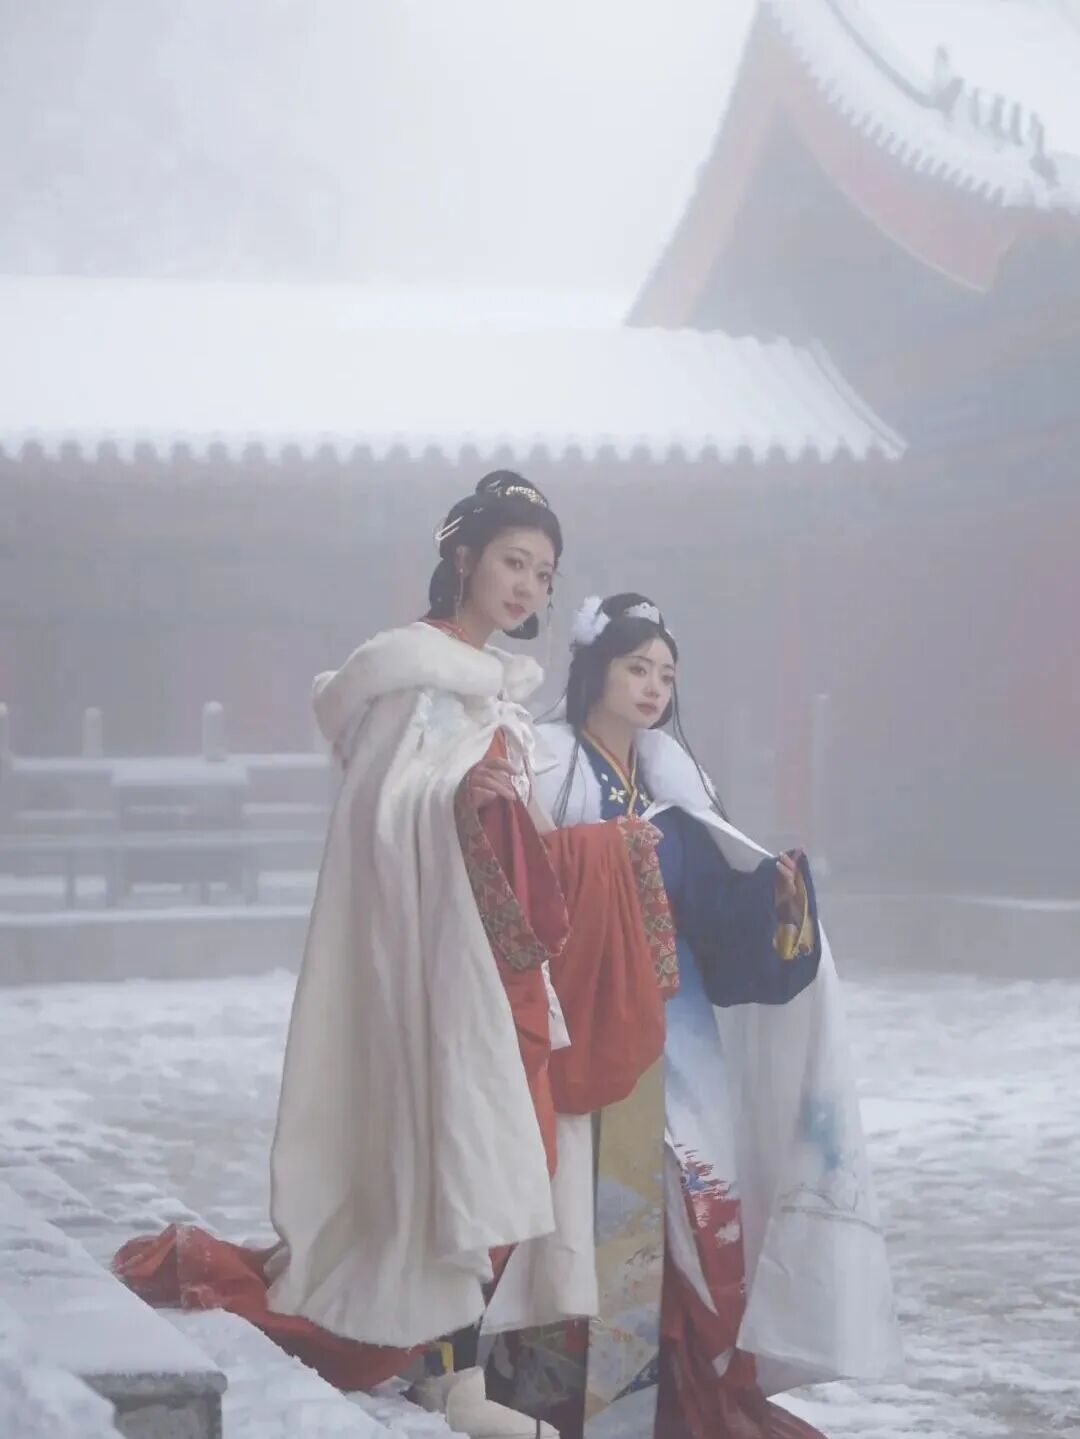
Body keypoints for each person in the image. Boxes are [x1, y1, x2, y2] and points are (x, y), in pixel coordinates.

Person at [116, 482, 677, 1439]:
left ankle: (445, 1364)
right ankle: (453, 1379)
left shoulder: (493, 685)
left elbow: (497, 819)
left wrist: (567, 838)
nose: (526, 585)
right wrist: (461, 791)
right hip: (430, 955)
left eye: (543, 573)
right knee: (457, 1142)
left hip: (493, 950)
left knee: (509, 1147)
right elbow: (385, 811)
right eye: (512, 561)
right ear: (464, 558)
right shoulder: (410, 676)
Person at [525, 593, 903, 1438]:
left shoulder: (677, 794)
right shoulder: (545, 770)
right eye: (637, 667)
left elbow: (714, 915)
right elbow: (520, 890)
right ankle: (565, 1402)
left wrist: (772, 900)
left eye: (666, 674)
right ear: (595, 669)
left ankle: (670, 1391)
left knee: (688, 1203)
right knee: (574, 1206)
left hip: (678, 1033)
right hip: (578, 1026)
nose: (653, 686)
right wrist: (604, 857)